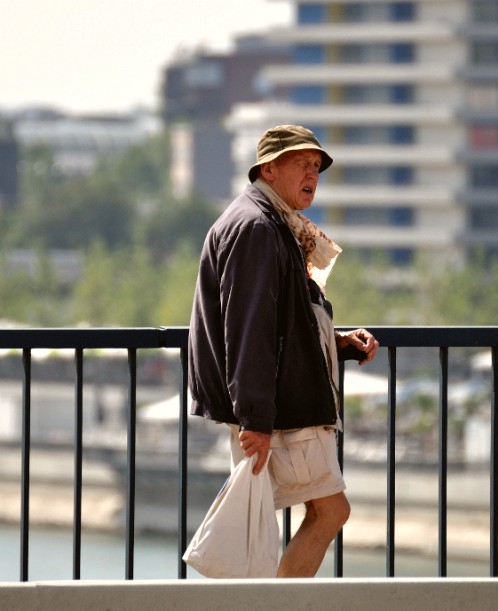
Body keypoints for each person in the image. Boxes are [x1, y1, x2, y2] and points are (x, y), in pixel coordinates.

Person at [188, 124, 379, 578]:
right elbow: (249, 327)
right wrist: (254, 417)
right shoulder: (258, 227)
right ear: (268, 170)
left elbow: (277, 320)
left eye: (316, 167)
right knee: (330, 511)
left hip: (275, 403)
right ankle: (276, 604)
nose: (312, 174)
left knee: (278, 516)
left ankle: (268, 599)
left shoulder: (267, 220)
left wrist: (337, 343)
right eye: (301, 164)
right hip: (279, 409)